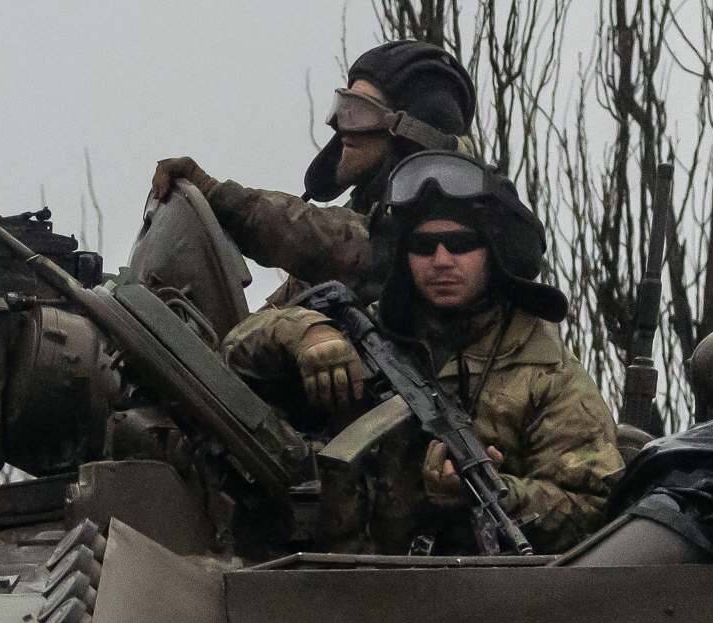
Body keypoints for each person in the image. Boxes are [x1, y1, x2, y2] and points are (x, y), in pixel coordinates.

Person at [222, 150, 624, 555]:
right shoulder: (365, 330)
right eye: (423, 245)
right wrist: (306, 334)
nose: (441, 261)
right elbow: (232, 357)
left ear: (496, 252)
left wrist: (497, 494)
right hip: (326, 578)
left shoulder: (547, 374)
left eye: (462, 244)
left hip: (465, 588)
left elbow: (594, 510)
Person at [151, 40, 477, 306]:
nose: (343, 129)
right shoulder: (362, 214)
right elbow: (272, 319)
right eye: (343, 108)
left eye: (359, 112)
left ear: (410, 134)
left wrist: (214, 192)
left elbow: (332, 241)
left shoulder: (437, 229)